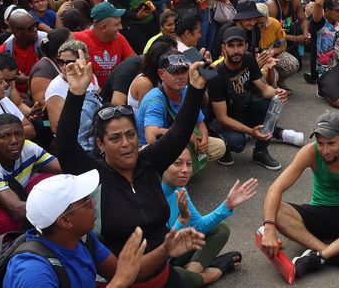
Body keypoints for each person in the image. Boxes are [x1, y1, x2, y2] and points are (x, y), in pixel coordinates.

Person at [55, 50, 208, 286]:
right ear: (100, 144)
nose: (126, 144)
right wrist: (76, 94)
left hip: (165, 274)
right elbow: (65, 146)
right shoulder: (94, 176)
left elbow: (179, 134)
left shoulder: (149, 162)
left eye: (130, 135)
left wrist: (196, 89)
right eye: (115, 138)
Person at [260, 112, 339, 279]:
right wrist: (269, 228)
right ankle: (332, 254)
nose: (325, 150)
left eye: (331, 143)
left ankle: (319, 257)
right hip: (318, 211)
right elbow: (275, 188)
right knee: (275, 211)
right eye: (320, 143)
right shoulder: (310, 152)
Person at [1, 170, 164, 288]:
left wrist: (167, 248)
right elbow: (121, 277)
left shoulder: (83, 239)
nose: (93, 204)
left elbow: (123, 272)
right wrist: (119, 283)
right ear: (65, 221)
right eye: (86, 201)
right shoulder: (33, 273)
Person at [207, 25, 301, 170]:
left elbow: (264, 89)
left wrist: (278, 93)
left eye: (240, 45)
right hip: (222, 122)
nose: (236, 50)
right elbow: (222, 118)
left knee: (273, 102)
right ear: (223, 48)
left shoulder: (249, 59)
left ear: (246, 46)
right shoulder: (216, 75)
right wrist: (249, 131)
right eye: (231, 46)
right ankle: (224, 144)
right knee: (238, 141)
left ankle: (260, 151)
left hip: (243, 109)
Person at [160, 149, 256, 286]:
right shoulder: (150, 196)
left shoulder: (180, 190)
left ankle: (192, 274)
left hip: (174, 258)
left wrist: (227, 206)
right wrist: (182, 220)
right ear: (161, 165)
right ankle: (213, 273)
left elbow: (199, 226)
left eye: (189, 164)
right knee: (177, 275)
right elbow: (159, 255)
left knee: (220, 230)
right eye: (177, 163)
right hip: (159, 262)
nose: (185, 170)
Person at [136, 51, 225, 171]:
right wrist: (186, 136)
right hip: (150, 149)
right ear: (161, 74)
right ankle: (171, 177)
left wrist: (204, 138)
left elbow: (199, 121)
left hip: (179, 140)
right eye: (175, 72)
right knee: (182, 149)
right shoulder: (155, 100)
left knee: (219, 146)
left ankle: (183, 170)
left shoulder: (186, 90)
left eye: (183, 71)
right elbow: (151, 136)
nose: (181, 76)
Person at [0, 113, 61, 240]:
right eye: (5, 136)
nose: (14, 141)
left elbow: (64, 169)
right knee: (5, 221)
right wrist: (61, 207)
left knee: (51, 179)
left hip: (20, 197)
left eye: (19, 134)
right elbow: (16, 210)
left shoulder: (28, 147)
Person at [73, 2, 136, 88]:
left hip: (113, 94)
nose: (121, 27)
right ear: (104, 27)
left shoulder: (119, 38)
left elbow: (135, 63)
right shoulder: (77, 39)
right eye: (117, 24)